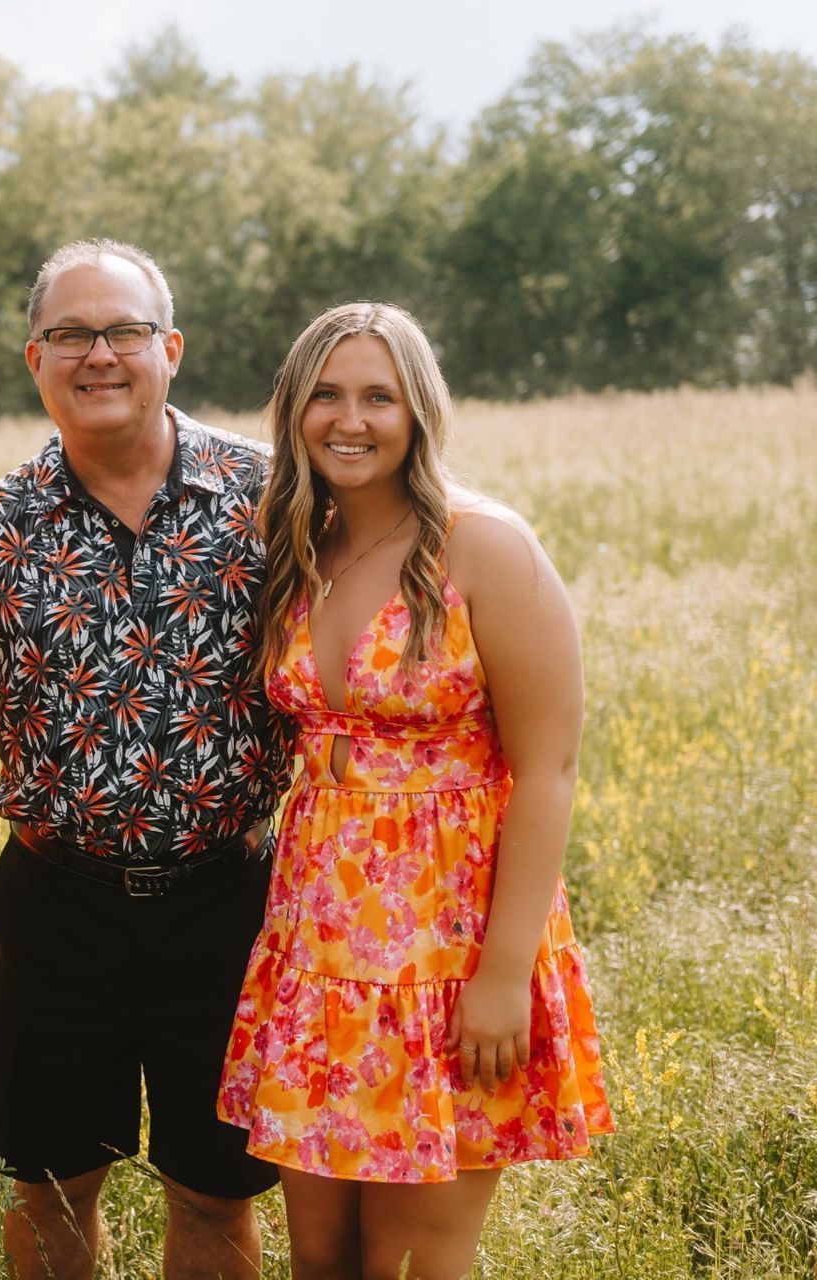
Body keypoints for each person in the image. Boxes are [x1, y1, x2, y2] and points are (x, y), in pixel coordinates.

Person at [215, 302, 615, 1279]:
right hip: (319, 947)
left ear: (418, 410)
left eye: (377, 396)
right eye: (327, 395)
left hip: (450, 948)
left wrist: (502, 973)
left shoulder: (488, 547)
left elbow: (549, 770)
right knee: (320, 1255)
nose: (349, 419)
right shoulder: (297, 543)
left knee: (416, 1262)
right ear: (295, 409)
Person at [0, 239, 287, 1280]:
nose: (100, 353)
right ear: (34, 358)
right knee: (49, 1185)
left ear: (168, 348)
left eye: (124, 330)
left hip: (226, 903)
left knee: (217, 1191)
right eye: (71, 334)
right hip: (59, 904)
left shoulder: (267, 500)